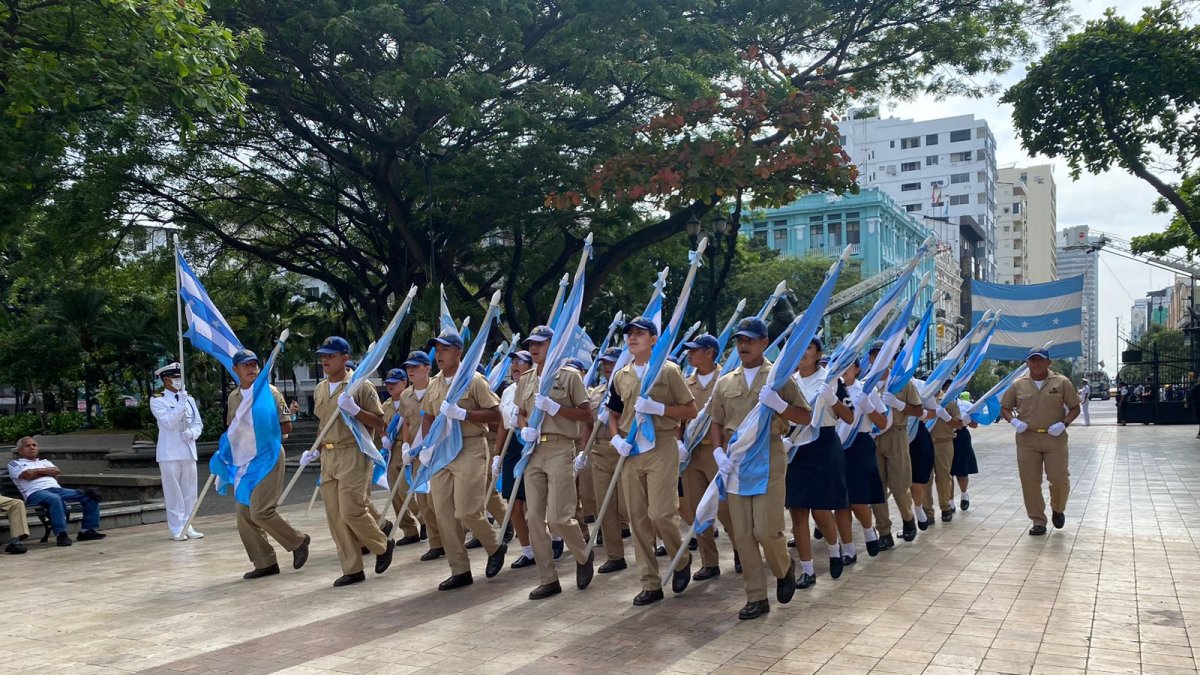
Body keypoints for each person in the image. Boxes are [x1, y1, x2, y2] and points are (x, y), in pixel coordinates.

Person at [707, 317, 810, 620]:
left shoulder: (779, 377)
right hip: (736, 462)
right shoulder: (726, 381)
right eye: (740, 340)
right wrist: (716, 451)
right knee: (743, 535)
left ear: (765, 342)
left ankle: (784, 568)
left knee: (766, 530)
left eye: (750, 340)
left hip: (769, 458)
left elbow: (804, 417)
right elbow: (715, 420)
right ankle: (756, 597)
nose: (743, 345)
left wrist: (780, 405)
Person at [605, 316, 698, 606]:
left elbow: (690, 410)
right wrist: (615, 439)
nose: (633, 338)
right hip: (631, 451)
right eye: (630, 334)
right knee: (638, 520)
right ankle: (650, 582)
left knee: (661, 514)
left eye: (640, 334)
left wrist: (659, 407)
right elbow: (613, 412)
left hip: (661, 445)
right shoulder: (621, 375)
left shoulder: (667, 371)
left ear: (654, 339)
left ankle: (680, 559)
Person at [419, 330, 508, 590]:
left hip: (469, 447)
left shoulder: (473, 380)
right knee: (444, 514)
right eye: (437, 349)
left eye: (445, 349)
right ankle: (460, 570)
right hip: (442, 452)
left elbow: (496, 415)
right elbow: (427, 416)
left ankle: (494, 546)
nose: (439, 354)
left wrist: (464, 414)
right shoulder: (434, 384)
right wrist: (428, 444)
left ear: (459, 352)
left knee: (467, 511)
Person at [514, 326, 595, 599]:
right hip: (534, 449)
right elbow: (521, 413)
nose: (534, 348)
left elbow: (586, 416)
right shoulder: (526, 379)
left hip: (561, 447)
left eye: (540, 343)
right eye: (531, 344)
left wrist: (556, 408)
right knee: (533, 518)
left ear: (554, 344)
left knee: (559, 518)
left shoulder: (569, 376)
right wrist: (524, 427)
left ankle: (583, 555)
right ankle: (548, 578)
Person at [309, 336, 395, 587]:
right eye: (323, 356)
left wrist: (355, 411)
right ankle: (352, 568)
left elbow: (380, 423)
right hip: (329, 455)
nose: (325, 360)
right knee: (335, 517)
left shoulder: (360, 386)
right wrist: (314, 449)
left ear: (344, 358)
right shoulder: (320, 388)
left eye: (330, 355)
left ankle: (381, 545)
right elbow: (323, 424)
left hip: (354, 453)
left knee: (352, 510)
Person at [226, 349, 311, 579]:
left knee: (261, 510)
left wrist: (261, 433)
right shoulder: (233, 398)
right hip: (245, 461)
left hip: (268, 455)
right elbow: (232, 431)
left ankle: (297, 541)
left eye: (255, 364)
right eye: (246, 365)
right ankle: (265, 562)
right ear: (235, 370)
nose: (252, 369)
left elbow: (286, 427)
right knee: (244, 514)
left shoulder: (270, 393)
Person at [787, 337, 850, 588]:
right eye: (799, 348)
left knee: (821, 511)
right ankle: (807, 570)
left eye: (808, 348)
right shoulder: (788, 381)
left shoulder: (832, 379)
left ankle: (834, 551)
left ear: (818, 353)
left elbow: (849, 415)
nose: (803, 353)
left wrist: (833, 399)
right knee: (798, 510)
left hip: (823, 444)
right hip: (796, 445)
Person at [1000, 348, 1081, 536]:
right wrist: (1014, 421)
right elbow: (1005, 408)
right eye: (1032, 360)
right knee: (1030, 482)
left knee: (1059, 479)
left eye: (1040, 360)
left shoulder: (1062, 382)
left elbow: (1075, 408)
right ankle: (1038, 520)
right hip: (1027, 438)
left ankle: (1058, 508)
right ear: (1027, 363)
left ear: (1048, 362)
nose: (1036, 364)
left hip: (1055, 438)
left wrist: (1064, 423)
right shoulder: (1018, 384)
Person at [678, 333, 736, 582]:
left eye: (695, 350)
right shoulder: (685, 382)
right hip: (691, 451)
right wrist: (679, 442)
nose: (690, 354)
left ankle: (741, 552)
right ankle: (709, 561)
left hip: (716, 449)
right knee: (695, 508)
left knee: (725, 508)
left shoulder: (726, 379)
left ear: (710, 352)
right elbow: (680, 417)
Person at [872, 343, 925, 548]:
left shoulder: (903, 383)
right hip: (874, 438)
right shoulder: (867, 383)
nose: (879, 360)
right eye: (875, 356)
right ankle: (884, 531)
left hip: (897, 434)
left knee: (899, 484)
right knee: (877, 487)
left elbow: (919, 411)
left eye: (883, 356)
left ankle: (908, 518)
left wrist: (899, 405)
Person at [7, 437, 105, 546]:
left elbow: (56, 471)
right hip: (35, 493)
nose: (32, 447)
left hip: (57, 489)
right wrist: (47, 472)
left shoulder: (45, 461)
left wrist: (36, 472)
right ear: (20, 450)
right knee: (54, 499)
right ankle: (61, 534)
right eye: (28, 445)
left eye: (34, 445)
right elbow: (27, 475)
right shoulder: (14, 464)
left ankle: (86, 531)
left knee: (90, 495)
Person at [835, 359, 887, 560]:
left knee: (857, 500)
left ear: (857, 369)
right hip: (836, 447)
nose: (844, 370)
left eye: (849, 366)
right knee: (840, 503)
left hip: (860, 446)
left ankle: (868, 530)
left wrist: (868, 407)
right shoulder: (830, 390)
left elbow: (882, 423)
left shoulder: (866, 390)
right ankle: (848, 549)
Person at [398, 350, 447, 561]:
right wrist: (406, 446)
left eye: (415, 367)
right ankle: (436, 543)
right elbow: (407, 423)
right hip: (418, 455)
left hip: (439, 452)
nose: (410, 371)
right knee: (424, 503)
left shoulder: (438, 389)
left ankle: (451, 539)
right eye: (408, 367)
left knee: (440, 501)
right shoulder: (405, 396)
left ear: (427, 368)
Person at [585, 347, 629, 574]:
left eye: (612, 363)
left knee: (629, 506)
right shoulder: (595, 393)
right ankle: (615, 555)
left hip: (624, 451)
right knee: (605, 506)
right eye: (605, 364)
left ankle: (648, 546)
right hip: (600, 451)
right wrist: (584, 452)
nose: (607, 367)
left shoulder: (629, 388)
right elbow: (587, 424)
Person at [149, 362, 205, 541]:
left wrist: (192, 433)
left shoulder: (188, 399)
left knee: (190, 492)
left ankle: (188, 525)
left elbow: (198, 423)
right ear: (166, 380)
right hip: (169, 452)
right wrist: (180, 403)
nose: (179, 381)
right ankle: (176, 528)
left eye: (179, 377)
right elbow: (168, 422)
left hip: (188, 450)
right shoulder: (157, 400)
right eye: (175, 378)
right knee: (173, 492)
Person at [495, 350, 535, 568]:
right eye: (513, 362)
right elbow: (503, 424)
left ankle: (552, 539)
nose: (515, 366)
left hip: (531, 443)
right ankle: (528, 550)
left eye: (520, 361)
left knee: (536, 503)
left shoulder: (537, 386)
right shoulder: (508, 391)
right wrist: (497, 455)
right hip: (512, 447)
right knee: (514, 503)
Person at [380, 367, 422, 546]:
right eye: (388, 384)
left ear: (404, 382)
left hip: (409, 448)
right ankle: (409, 529)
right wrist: (383, 437)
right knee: (395, 493)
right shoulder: (385, 405)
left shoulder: (410, 400)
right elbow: (380, 424)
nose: (390, 386)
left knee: (406, 490)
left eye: (394, 383)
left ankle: (426, 521)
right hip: (392, 450)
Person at [923, 380, 963, 523]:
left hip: (943, 442)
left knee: (944, 477)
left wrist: (945, 415)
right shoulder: (921, 399)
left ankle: (945, 507)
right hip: (924, 443)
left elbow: (959, 424)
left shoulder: (948, 401)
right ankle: (928, 512)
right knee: (925, 479)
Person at [951, 393, 979, 511]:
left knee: (962, 470)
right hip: (945, 436)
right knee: (947, 472)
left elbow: (975, 425)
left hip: (961, 436)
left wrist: (967, 420)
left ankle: (964, 495)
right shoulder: (940, 403)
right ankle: (949, 501)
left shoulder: (966, 405)